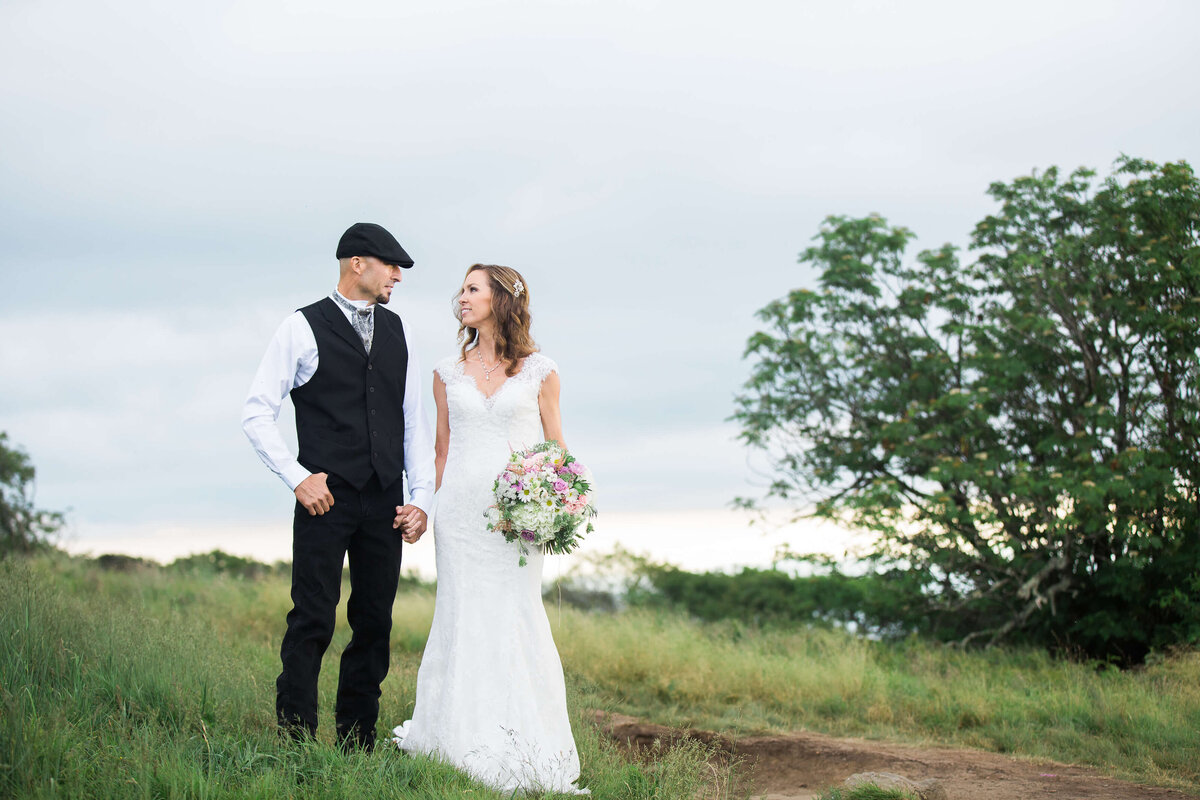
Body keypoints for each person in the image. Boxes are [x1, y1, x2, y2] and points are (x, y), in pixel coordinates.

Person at [392, 264, 588, 794]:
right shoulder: (445, 372)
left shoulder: (540, 370)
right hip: (458, 515)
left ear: (502, 300)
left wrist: (557, 504)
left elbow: (556, 446)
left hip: (515, 519)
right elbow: (440, 451)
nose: (462, 297)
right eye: (461, 290)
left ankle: (521, 741)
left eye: (473, 289)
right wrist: (425, 509)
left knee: (513, 615)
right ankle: (453, 739)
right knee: (462, 616)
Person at [241, 222, 435, 751]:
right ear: (357, 263)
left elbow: (413, 421)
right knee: (312, 619)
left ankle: (357, 743)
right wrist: (298, 478)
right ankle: (296, 741)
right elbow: (257, 413)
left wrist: (420, 500)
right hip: (325, 498)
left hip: (385, 503)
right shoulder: (300, 327)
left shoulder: (402, 331)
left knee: (374, 622)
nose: (398, 275)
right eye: (390, 264)